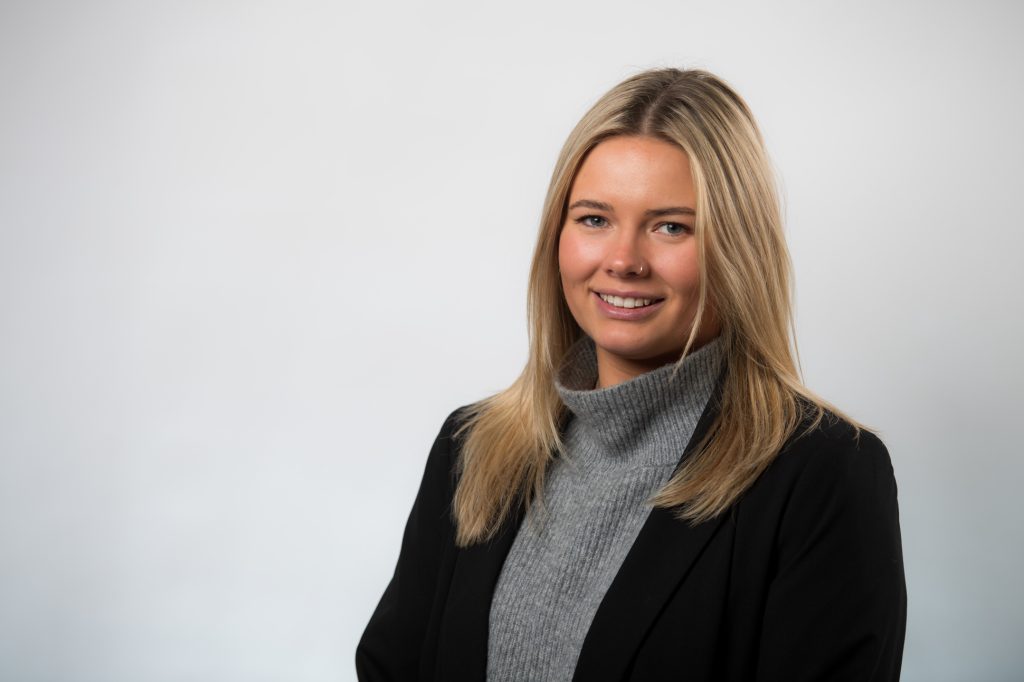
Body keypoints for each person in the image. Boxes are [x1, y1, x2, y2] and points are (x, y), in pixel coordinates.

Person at [355, 67, 906, 681]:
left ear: (737, 248)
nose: (622, 260)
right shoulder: (474, 447)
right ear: (557, 236)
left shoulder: (823, 475)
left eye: (671, 226)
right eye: (594, 219)